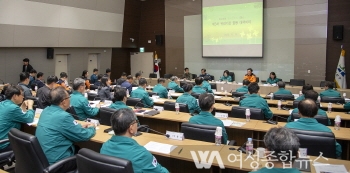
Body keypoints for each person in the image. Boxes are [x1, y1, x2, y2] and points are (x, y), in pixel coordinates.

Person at [36, 87, 96, 165]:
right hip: (58, 162)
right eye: (69, 97)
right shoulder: (64, 116)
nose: (70, 99)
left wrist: (79, 126)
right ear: (64, 102)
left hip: (43, 159)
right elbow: (83, 135)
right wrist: (92, 128)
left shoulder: (46, 110)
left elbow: (60, 127)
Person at [100, 108, 169, 173]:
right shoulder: (141, 154)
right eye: (136, 122)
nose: (137, 124)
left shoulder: (104, 146)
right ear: (131, 128)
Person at [0, 85, 34, 152]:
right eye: (22, 95)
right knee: (31, 145)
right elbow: (29, 118)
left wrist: (23, 106)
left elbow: (16, 115)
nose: (23, 97)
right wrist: (30, 106)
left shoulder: (2, 103)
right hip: (4, 144)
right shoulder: (13, 108)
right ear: (15, 96)